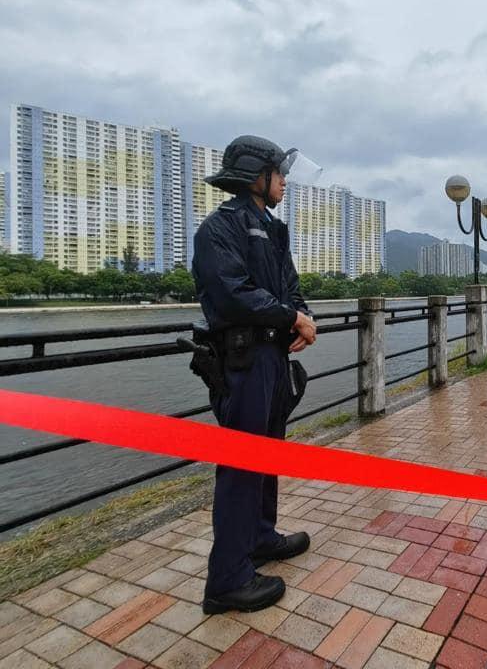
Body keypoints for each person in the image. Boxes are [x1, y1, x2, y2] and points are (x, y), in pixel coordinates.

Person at [191, 135, 318, 614]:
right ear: (256, 177)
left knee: (267, 454)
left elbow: (290, 286)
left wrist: (303, 318)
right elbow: (231, 294)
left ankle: (261, 537)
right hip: (242, 361)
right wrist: (290, 318)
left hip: (273, 357)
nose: (285, 180)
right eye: (278, 173)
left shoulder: (274, 229)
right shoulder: (218, 229)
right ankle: (226, 580)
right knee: (241, 464)